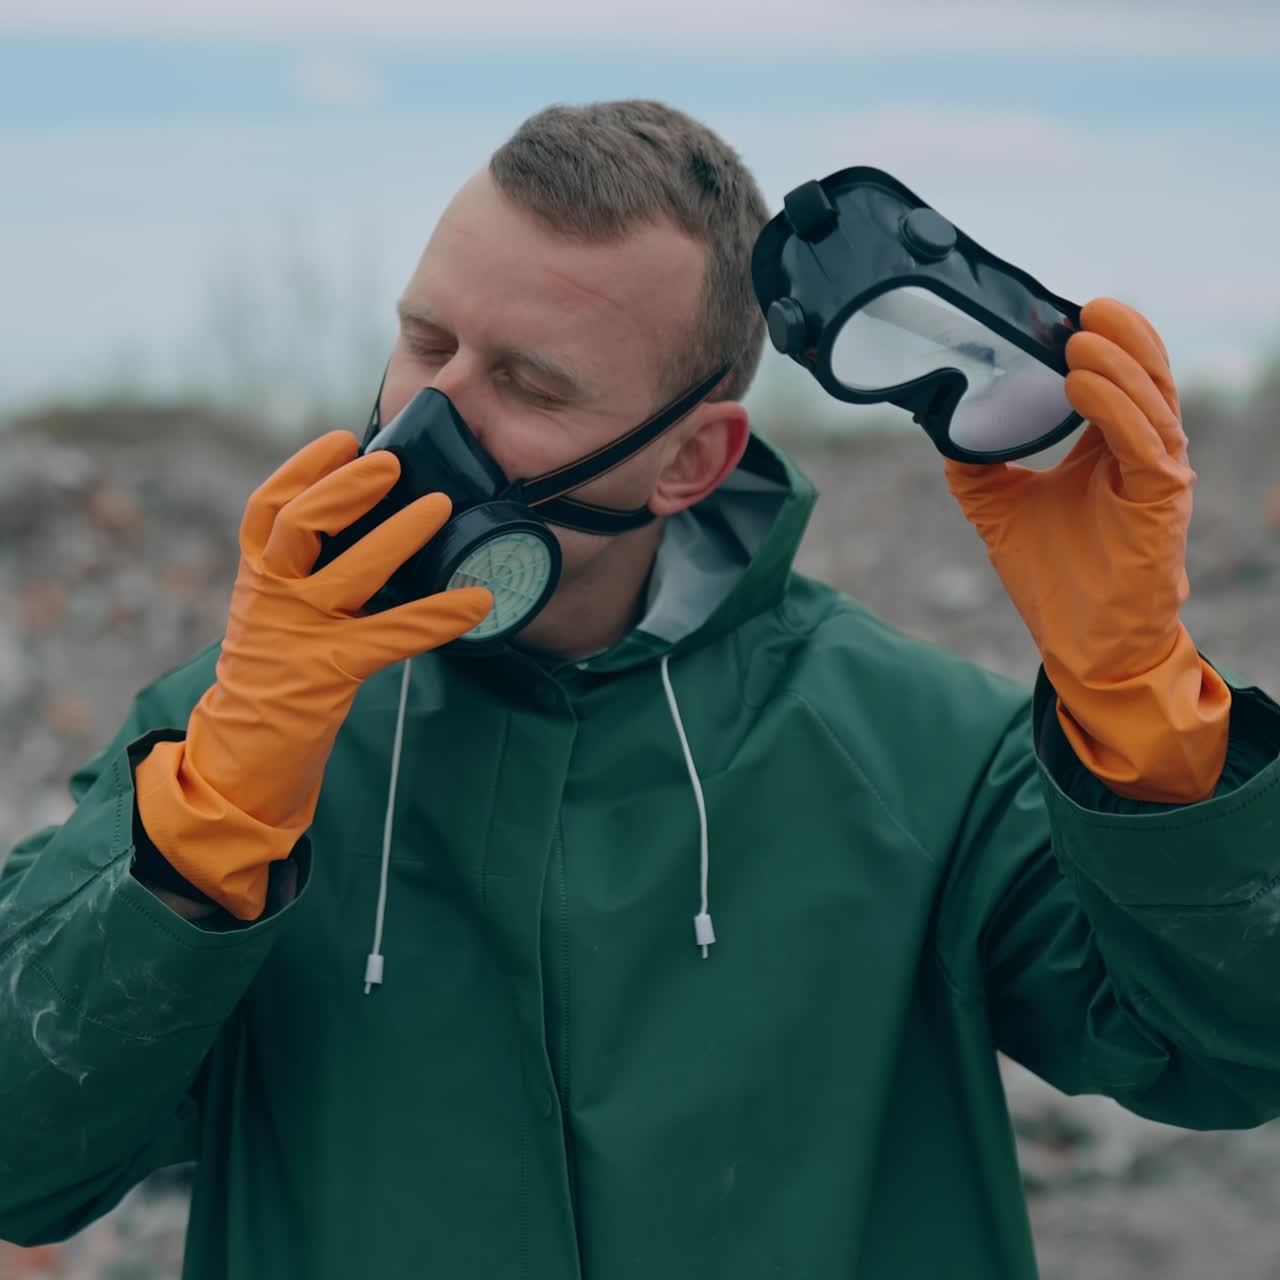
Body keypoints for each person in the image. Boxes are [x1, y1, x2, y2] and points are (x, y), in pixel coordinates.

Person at [3, 99, 1279, 1280]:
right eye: (425, 341)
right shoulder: (233, 736)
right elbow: (23, 1155)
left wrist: (1135, 695)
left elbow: (1232, 1046)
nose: (427, 415)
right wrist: (211, 823)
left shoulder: (921, 752)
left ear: (687, 461)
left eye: (526, 383)